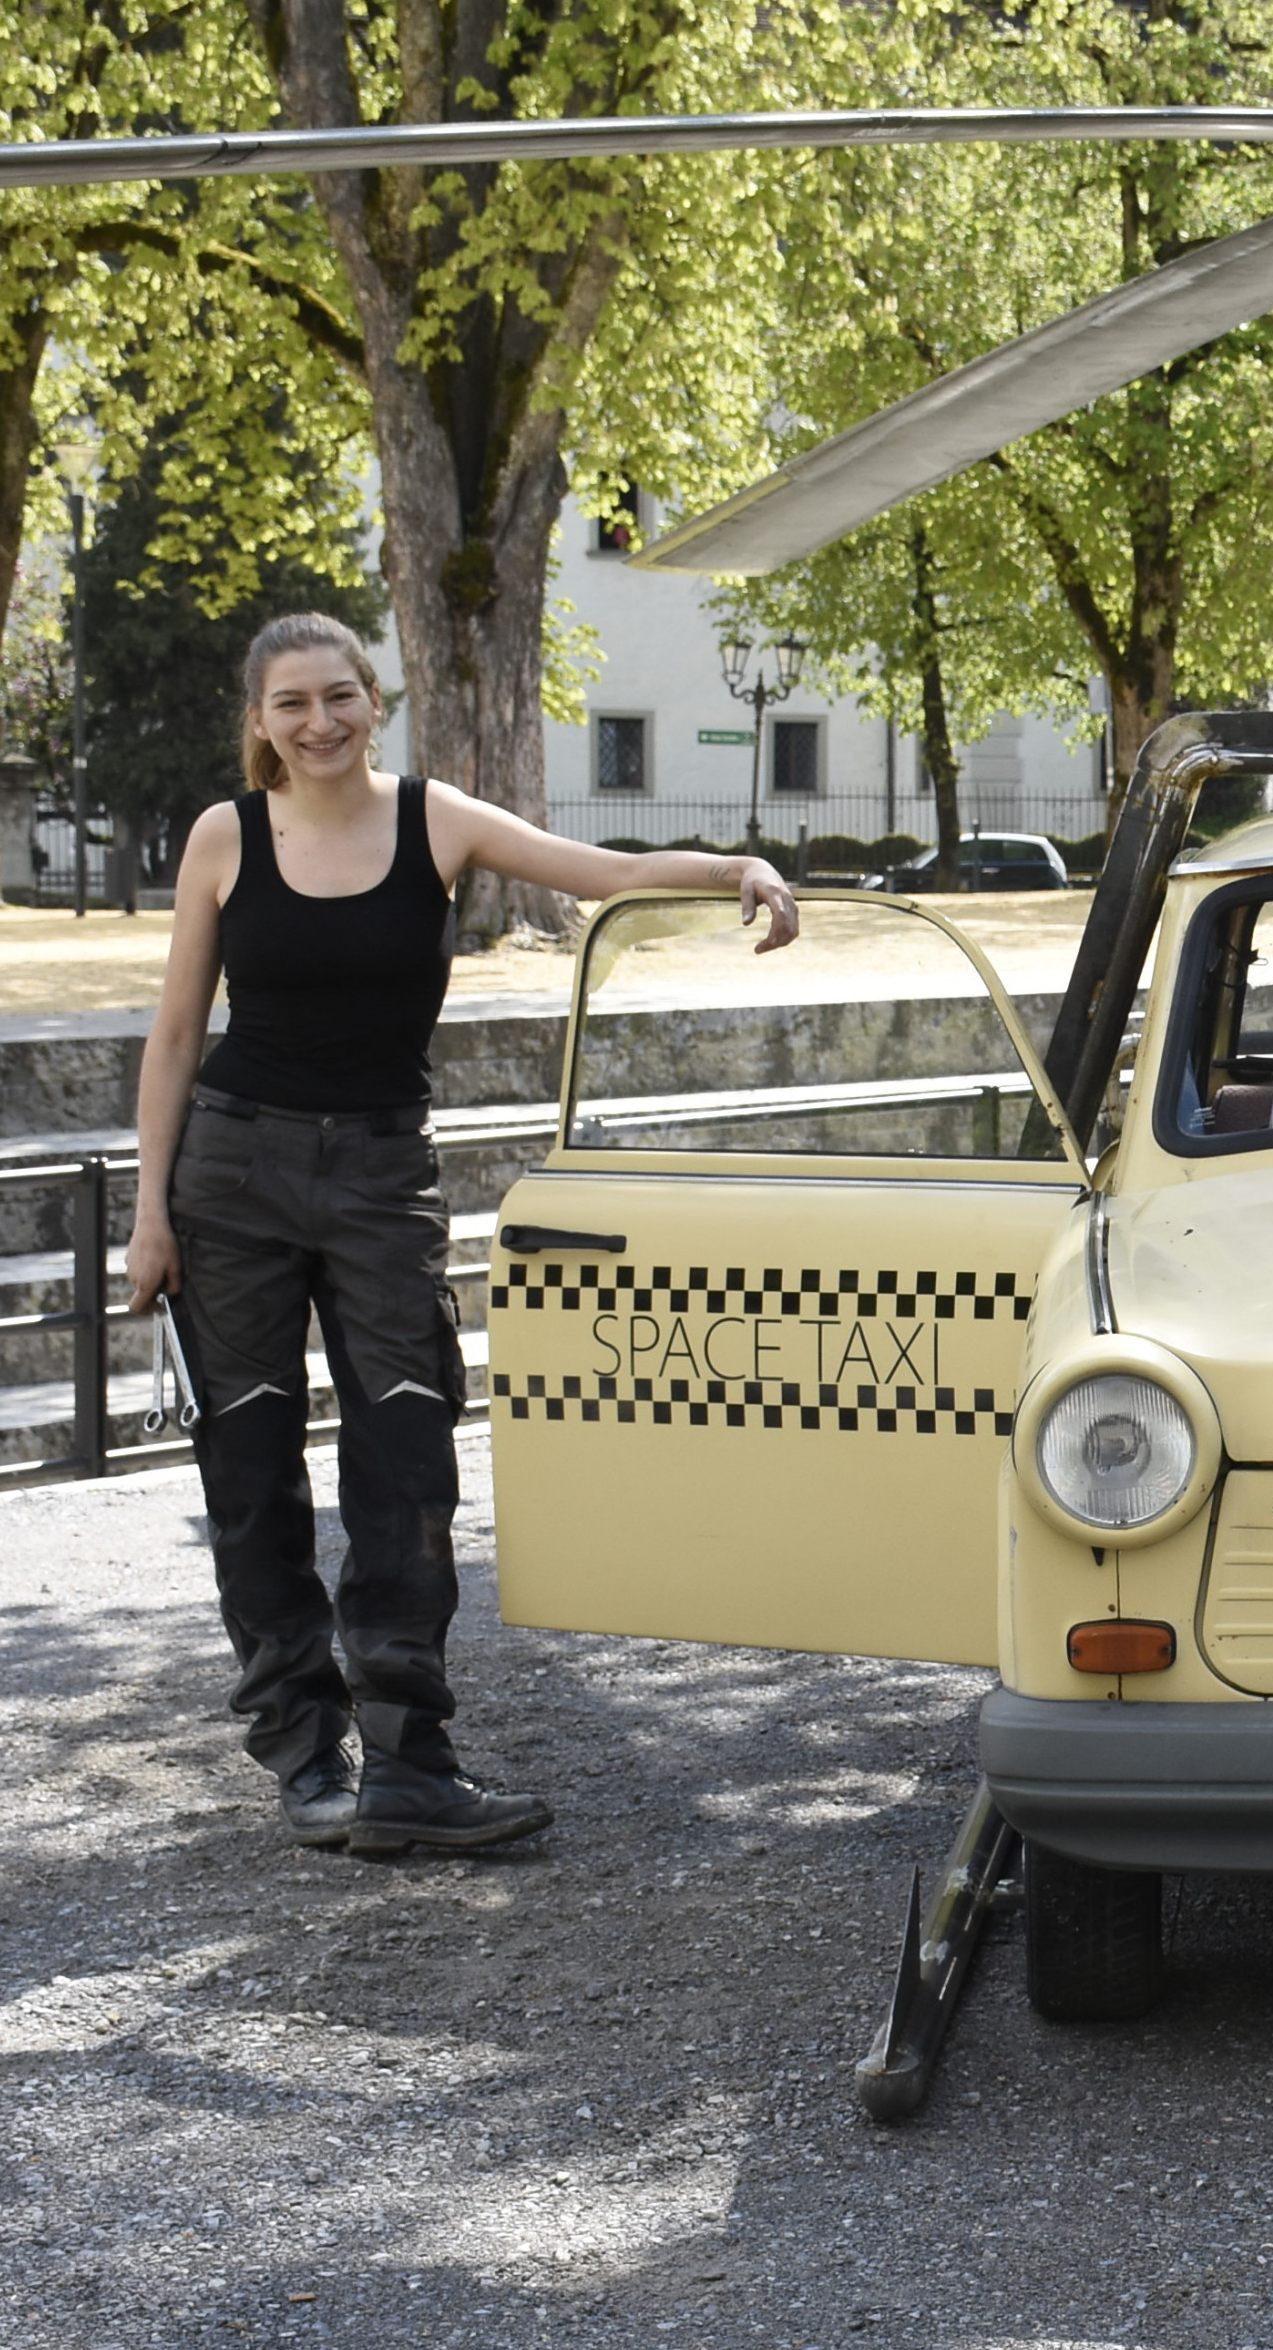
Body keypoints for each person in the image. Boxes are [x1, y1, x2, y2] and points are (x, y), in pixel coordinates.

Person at [125, 613, 799, 1854]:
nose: (318, 722)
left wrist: (734, 870)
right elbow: (174, 1035)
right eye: (292, 704)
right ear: (259, 719)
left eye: (339, 696)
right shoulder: (227, 836)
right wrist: (148, 1212)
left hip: (382, 1170)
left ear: (374, 700)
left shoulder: (434, 819)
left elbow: (592, 870)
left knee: (406, 1451)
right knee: (249, 1464)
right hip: (233, 1171)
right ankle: (303, 1753)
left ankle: (407, 1766)